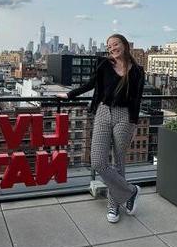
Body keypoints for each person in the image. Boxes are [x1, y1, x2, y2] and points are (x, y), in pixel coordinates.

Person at [56, 33, 145, 223]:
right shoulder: (104, 65)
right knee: (97, 161)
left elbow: (137, 100)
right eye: (109, 46)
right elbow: (90, 84)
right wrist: (70, 95)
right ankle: (131, 191)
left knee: (119, 162)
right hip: (103, 112)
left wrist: (134, 123)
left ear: (124, 45)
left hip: (125, 116)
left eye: (115, 44)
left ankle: (114, 205)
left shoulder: (137, 71)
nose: (112, 48)